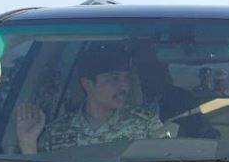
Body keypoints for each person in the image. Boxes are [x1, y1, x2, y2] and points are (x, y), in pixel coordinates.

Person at [15, 43, 167, 154]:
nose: (125, 87)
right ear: (87, 84)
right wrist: (28, 142)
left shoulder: (147, 124)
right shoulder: (56, 131)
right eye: (114, 78)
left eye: (126, 78)